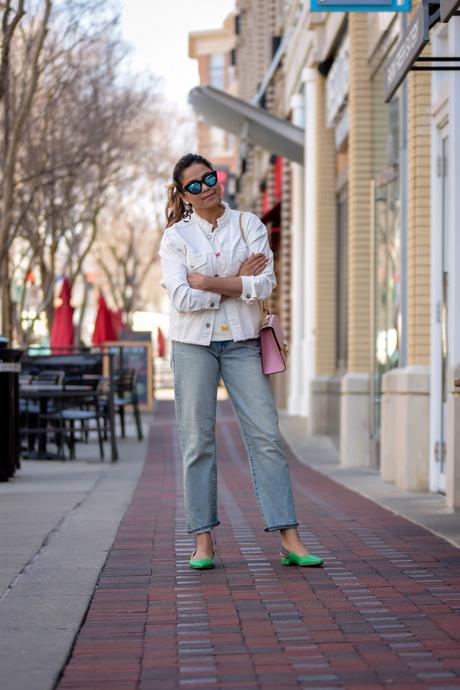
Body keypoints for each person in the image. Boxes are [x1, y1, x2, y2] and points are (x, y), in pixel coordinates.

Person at [160, 153, 323, 570]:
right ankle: (202, 540)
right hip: (193, 345)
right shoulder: (176, 238)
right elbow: (180, 297)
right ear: (184, 195)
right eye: (194, 184)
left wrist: (210, 282)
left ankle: (289, 536)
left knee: (267, 435)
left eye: (209, 177)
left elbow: (264, 281)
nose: (205, 187)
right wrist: (236, 282)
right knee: (198, 442)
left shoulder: (248, 223)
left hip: (243, 344)